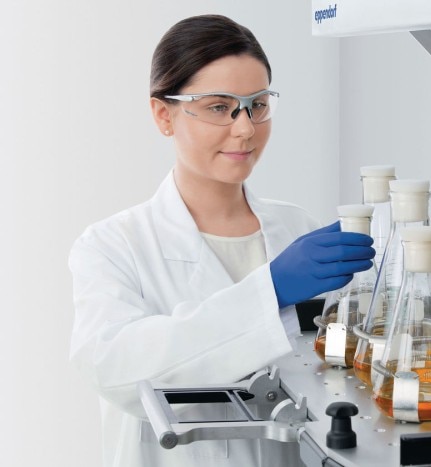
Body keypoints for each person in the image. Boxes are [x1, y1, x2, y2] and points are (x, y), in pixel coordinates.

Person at [68, 14, 374, 467]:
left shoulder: (298, 229)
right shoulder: (113, 246)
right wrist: (269, 290)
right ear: (163, 114)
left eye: (257, 104)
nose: (245, 127)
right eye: (218, 107)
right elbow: (116, 370)